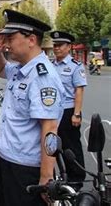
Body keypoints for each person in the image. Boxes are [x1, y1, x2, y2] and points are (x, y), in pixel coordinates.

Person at [0, 9, 64, 206]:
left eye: (10, 39)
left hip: (25, 169)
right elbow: (0, 69)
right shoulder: (22, 68)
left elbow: (50, 128)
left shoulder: (42, 76)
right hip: (9, 161)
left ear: (31, 40)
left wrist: (46, 178)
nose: (6, 45)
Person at [51, 31, 87, 184]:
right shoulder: (50, 65)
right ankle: (54, 177)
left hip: (68, 111)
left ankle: (76, 179)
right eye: (55, 45)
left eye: (60, 45)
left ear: (69, 47)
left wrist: (77, 114)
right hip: (52, 112)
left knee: (70, 146)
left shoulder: (75, 67)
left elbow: (79, 90)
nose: (56, 48)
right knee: (51, 146)